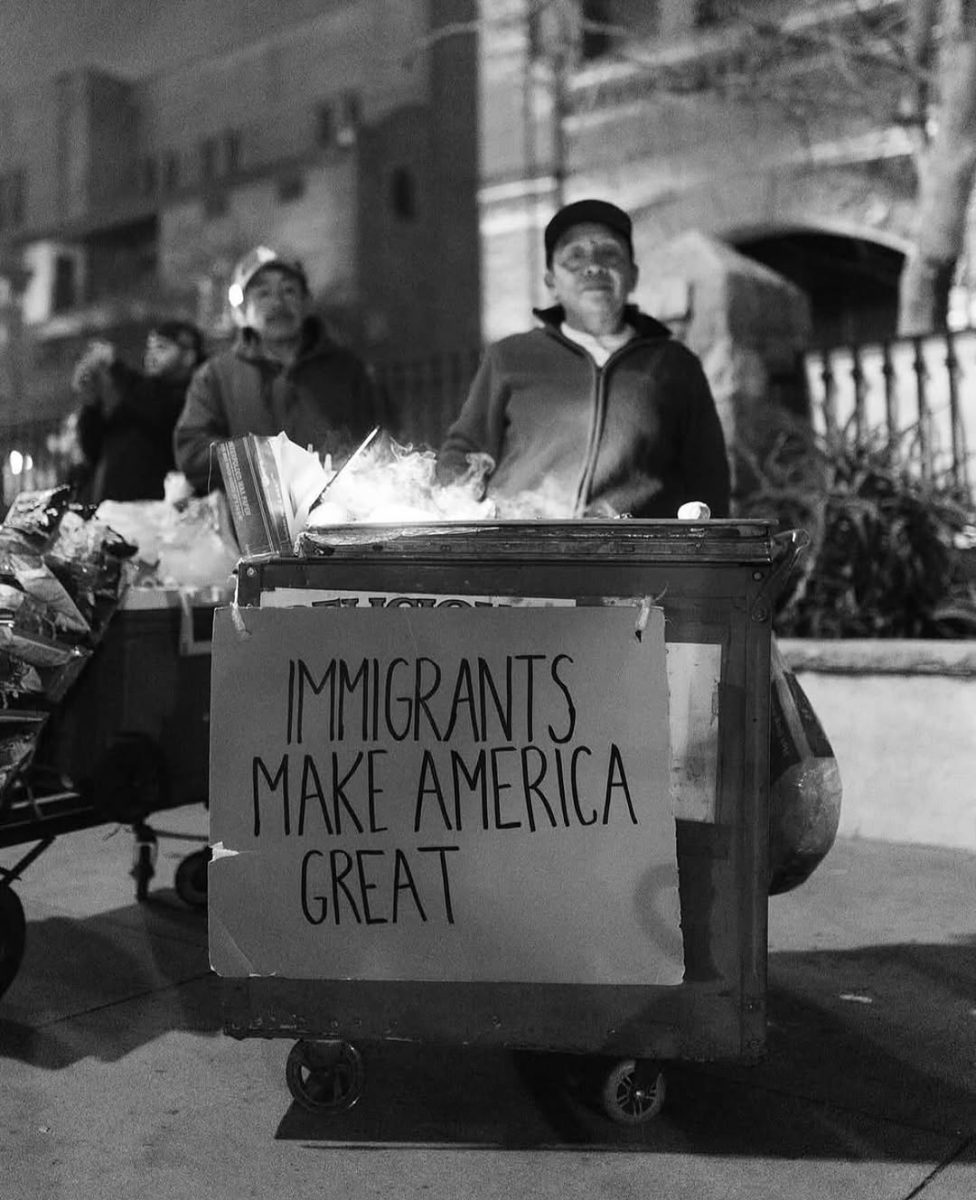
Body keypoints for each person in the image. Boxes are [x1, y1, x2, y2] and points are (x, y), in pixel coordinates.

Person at [437, 198, 731, 519]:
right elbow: (463, 451)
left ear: (632, 276)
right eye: (574, 257)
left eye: (610, 253)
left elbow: (708, 479)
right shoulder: (509, 357)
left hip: (635, 557)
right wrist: (462, 508)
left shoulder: (675, 364)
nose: (593, 266)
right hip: (523, 552)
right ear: (551, 281)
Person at [173, 246, 386, 494]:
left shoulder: (348, 370)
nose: (278, 303)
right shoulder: (216, 376)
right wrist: (257, 458)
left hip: (335, 518)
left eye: (289, 290)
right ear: (241, 313)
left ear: (307, 303)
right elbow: (191, 450)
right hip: (252, 525)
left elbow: (382, 441)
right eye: (263, 293)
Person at [72, 320, 206, 504]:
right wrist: (92, 403)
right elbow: (94, 448)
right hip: (116, 514)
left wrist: (115, 366)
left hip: (158, 514)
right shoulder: (138, 399)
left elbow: (159, 412)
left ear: (188, 356)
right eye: (149, 348)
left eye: (162, 347)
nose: (152, 355)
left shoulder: (196, 396)